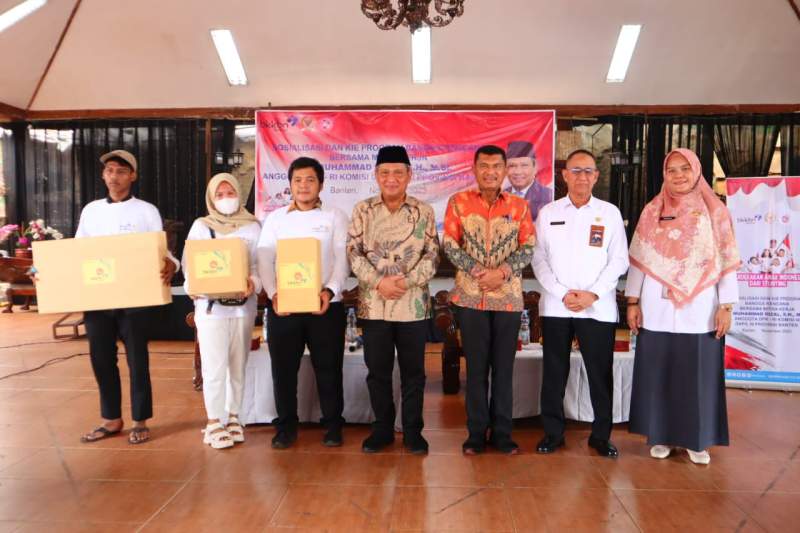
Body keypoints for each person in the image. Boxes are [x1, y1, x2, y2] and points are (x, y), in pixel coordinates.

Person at [626, 148, 740, 465]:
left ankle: (697, 440)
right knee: (658, 373)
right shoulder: (652, 210)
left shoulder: (715, 211)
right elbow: (639, 260)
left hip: (701, 307)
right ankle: (660, 435)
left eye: (684, 169)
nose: (678, 175)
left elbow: (728, 262)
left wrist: (726, 306)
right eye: (671, 170)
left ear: (696, 172)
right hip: (656, 307)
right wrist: (632, 301)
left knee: (697, 376)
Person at [72, 150, 178, 444]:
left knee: (137, 360)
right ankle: (111, 419)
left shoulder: (146, 211)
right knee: (101, 359)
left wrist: (172, 263)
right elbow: (78, 252)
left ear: (133, 175)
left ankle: (140, 419)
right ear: (103, 175)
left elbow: (161, 252)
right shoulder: (91, 211)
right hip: (99, 298)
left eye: (121, 171)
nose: (114, 176)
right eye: (109, 170)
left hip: (135, 299)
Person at [532, 149, 629, 458]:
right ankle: (553, 432)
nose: (582, 177)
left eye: (588, 171)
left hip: (596, 308)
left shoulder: (610, 213)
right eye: (576, 171)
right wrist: (562, 293)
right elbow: (538, 259)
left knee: (600, 373)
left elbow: (619, 260)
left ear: (596, 176)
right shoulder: (548, 213)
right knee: (554, 372)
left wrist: (593, 294)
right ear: (564, 175)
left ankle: (601, 435)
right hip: (557, 307)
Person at [347, 145, 440, 454]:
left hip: (412, 305)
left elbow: (432, 256)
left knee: (414, 373)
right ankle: (382, 429)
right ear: (376, 175)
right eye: (385, 172)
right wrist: (379, 283)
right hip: (374, 305)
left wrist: (403, 282)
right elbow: (353, 253)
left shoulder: (423, 211)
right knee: (378, 371)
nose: (391, 178)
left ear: (409, 175)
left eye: (398, 172)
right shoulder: (363, 210)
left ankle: (413, 431)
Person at [443, 145, 536, 455]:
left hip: (508, 300)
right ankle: (474, 434)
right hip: (471, 299)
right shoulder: (458, 203)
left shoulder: (520, 206)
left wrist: (504, 272)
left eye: (497, 166)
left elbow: (528, 247)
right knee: (477, 370)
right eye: (484, 166)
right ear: (474, 168)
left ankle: (503, 434)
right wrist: (480, 272)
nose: (490, 172)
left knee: (504, 370)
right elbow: (450, 245)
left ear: (505, 170)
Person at [257, 156, 349, 449]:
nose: (304, 186)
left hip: (325, 306)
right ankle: (286, 426)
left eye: (310, 180)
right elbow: (264, 258)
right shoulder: (275, 219)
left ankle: (333, 425)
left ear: (320, 184)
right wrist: (274, 294)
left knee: (329, 368)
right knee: (283, 370)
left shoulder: (335, 216)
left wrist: (330, 291)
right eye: (298, 180)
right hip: (284, 306)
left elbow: (341, 259)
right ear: (290, 185)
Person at [182, 173, 261, 449]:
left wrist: (254, 283)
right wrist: (199, 286)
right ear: (211, 198)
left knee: (238, 366)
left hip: (243, 309)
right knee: (214, 367)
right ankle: (214, 421)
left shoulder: (252, 226)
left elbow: (257, 267)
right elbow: (190, 267)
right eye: (220, 194)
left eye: (230, 193)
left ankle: (234, 417)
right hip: (212, 309)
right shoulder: (202, 227)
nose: (226, 198)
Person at [504, 141, 552, 222]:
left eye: (524, 165)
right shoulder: (499, 197)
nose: (518, 172)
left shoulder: (548, 196)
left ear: (535, 167)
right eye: (512, 166)